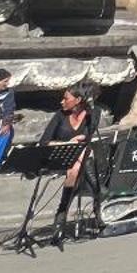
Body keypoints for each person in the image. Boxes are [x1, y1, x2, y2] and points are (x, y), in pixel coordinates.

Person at [39, 81, 101, 242]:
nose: (62, 101)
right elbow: (44, 142)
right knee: (81, 158)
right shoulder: (60, 115)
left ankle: (61, 215)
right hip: (59, 154)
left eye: (66, 98)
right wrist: (68, 144)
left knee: (81, 157)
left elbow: (87, 137)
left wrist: (90, 112)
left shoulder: (93, 114)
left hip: (80, 155)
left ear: (79, 100)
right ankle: (99, 197)